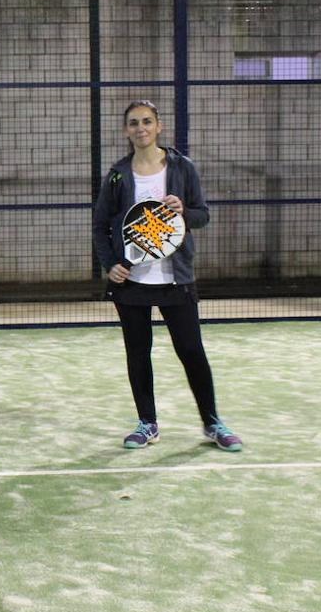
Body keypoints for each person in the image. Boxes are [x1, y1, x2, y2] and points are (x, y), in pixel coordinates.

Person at [93, 100, 242, 452]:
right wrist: (110, 263)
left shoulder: (182, 168)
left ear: (158, 126)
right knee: (138, 353)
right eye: (133, 123)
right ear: (126, 130)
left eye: (146, 122)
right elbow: (100, 226)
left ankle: (212, 422)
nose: (140, 128)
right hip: (132, 284)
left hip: (176, 280)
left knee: (191, 350)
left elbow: (203, 215)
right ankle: (147, 423)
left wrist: (184, 212)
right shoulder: (117, 174)